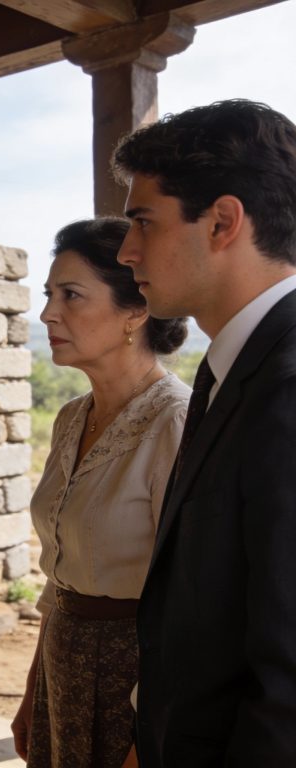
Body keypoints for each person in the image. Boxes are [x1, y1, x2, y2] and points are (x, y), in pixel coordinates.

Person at [113, 99, 296, 767]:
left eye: (142, 222)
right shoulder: (233, 369)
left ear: (222, 222)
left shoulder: (287, 387)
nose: (127, 250)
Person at [11, 218, 189, 768]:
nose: (47, 314)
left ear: (135, 311)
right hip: (62, 660)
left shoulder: (176, 424)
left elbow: (190, 605)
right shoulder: (71, 418)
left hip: (136, 675)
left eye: (71, 295)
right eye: (48, 295)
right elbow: (60, 574)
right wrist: (33, 690)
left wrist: (151, 736)